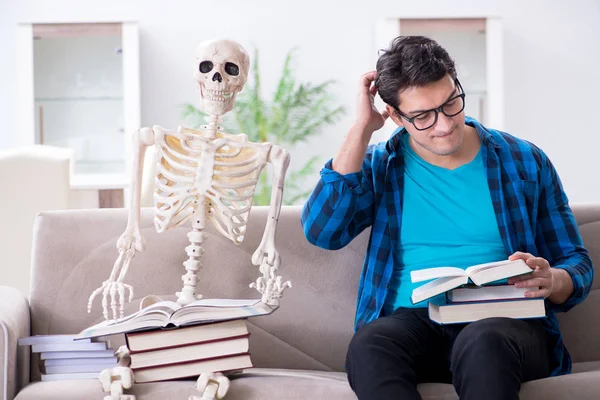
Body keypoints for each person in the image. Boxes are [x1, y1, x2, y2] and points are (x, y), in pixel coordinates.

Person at [300, 36, 594, 400]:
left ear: (456, 83)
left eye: (451, 103)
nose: (443, 125)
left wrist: (554, 279)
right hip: (414, 323)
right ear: (394, 115)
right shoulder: (381, 165)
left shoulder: (524, 161)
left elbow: (577, 263)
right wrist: (360, 130)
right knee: (370, 344)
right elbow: (322, 232)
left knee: (483, 341)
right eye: (422, 116)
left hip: (503, 327)